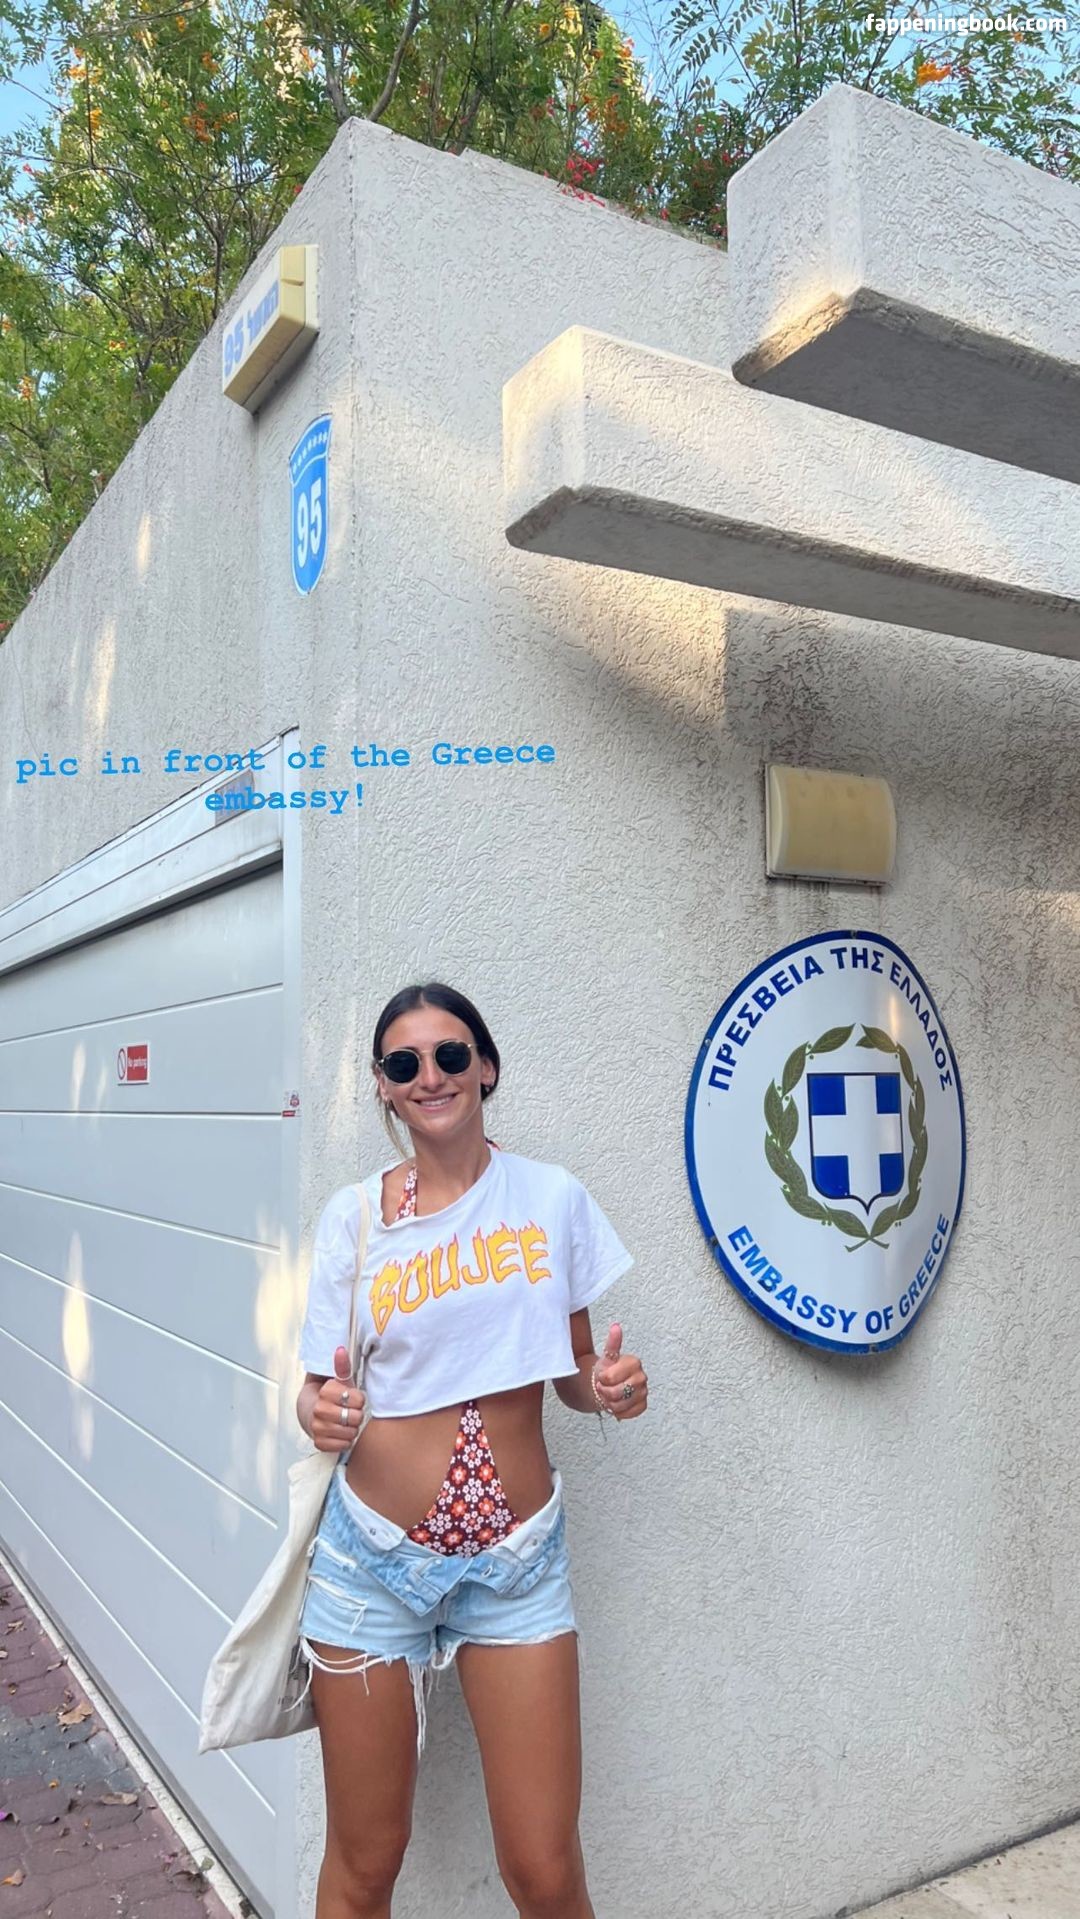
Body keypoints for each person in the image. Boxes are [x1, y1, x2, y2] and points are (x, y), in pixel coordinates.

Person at [295, 980, 648, 1919]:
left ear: (486, 1067)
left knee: (544, 1868)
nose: (432, 1075)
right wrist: (320, 1414)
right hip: (368, 1568)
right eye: (404, 1062)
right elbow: (314, 1390)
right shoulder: (353, 1219)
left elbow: (575, 1368)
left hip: (516, 1569)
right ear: (382, 1085)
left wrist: (609, 1387)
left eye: (451, 1054)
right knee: (365, 1864)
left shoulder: (549, 1198)